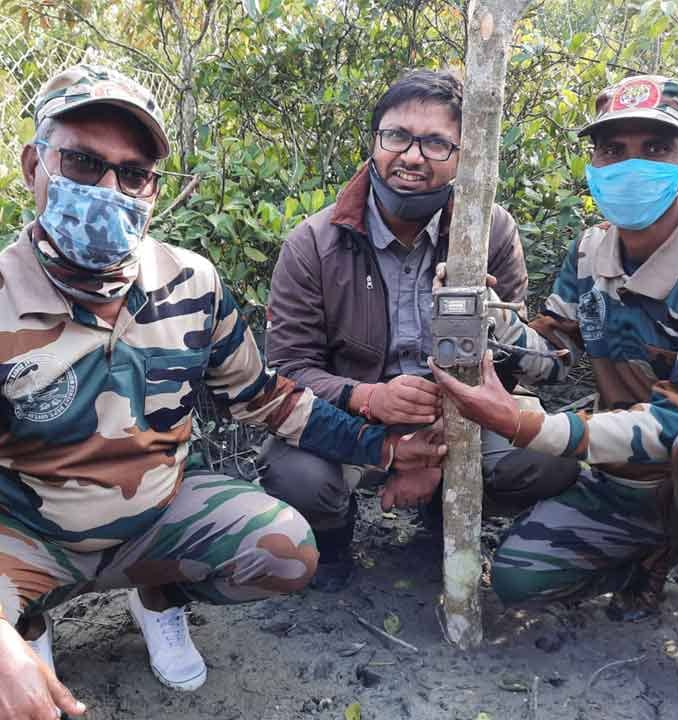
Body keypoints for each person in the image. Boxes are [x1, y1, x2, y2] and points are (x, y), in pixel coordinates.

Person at [0, 65, 443, 720]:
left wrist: (384, 449)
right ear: (34, 163)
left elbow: (269, 400)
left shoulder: (191, 283)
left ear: (153, 186)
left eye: (134, 173)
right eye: (84, 163)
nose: (109, 188)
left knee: (286, 551)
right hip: (28, 535)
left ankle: (158, 597)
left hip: (155, 514)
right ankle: (27, 627)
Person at [433, 75, 678, 720]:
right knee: (517, 580)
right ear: (593, 159)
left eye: (654, 147)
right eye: (612, 148)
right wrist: (491, 318)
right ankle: (647, 551)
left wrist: (533, 428)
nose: (630, 164)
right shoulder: (590, 249)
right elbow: (550, 352)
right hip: (618, 478)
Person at [264, 69, 578, 591]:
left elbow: (514, 370)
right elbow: (287, 373)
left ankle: (445, 513)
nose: (412, 156)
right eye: (397, 137)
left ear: (463, 156)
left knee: (549, 458)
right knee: (294, 472)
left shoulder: (489, 230)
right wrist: (368, 399)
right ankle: (333, 538)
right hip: (356, 426)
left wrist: (437, 450)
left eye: (436, 143)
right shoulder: (314, 243)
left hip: (464, 421)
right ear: (374, 142)